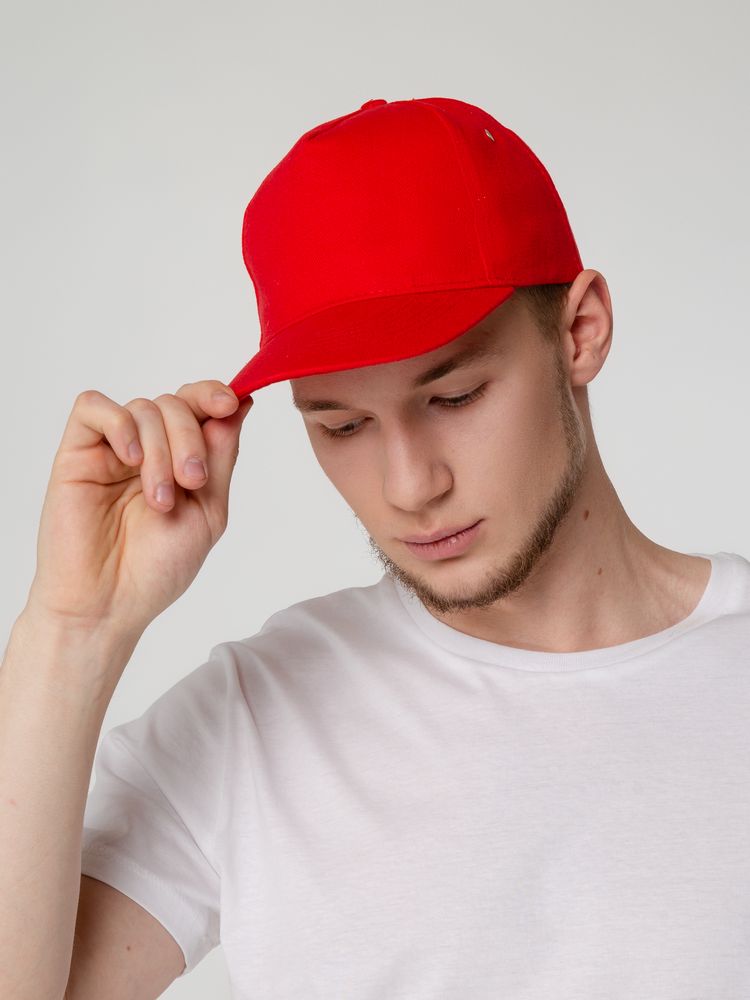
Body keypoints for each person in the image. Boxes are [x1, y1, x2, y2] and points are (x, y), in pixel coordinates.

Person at [1, 97, 748, 1000]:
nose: (409, 486)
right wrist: (71, 628)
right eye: (343, 425)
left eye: (455, 397)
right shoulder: (259, 716)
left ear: (579, 331)